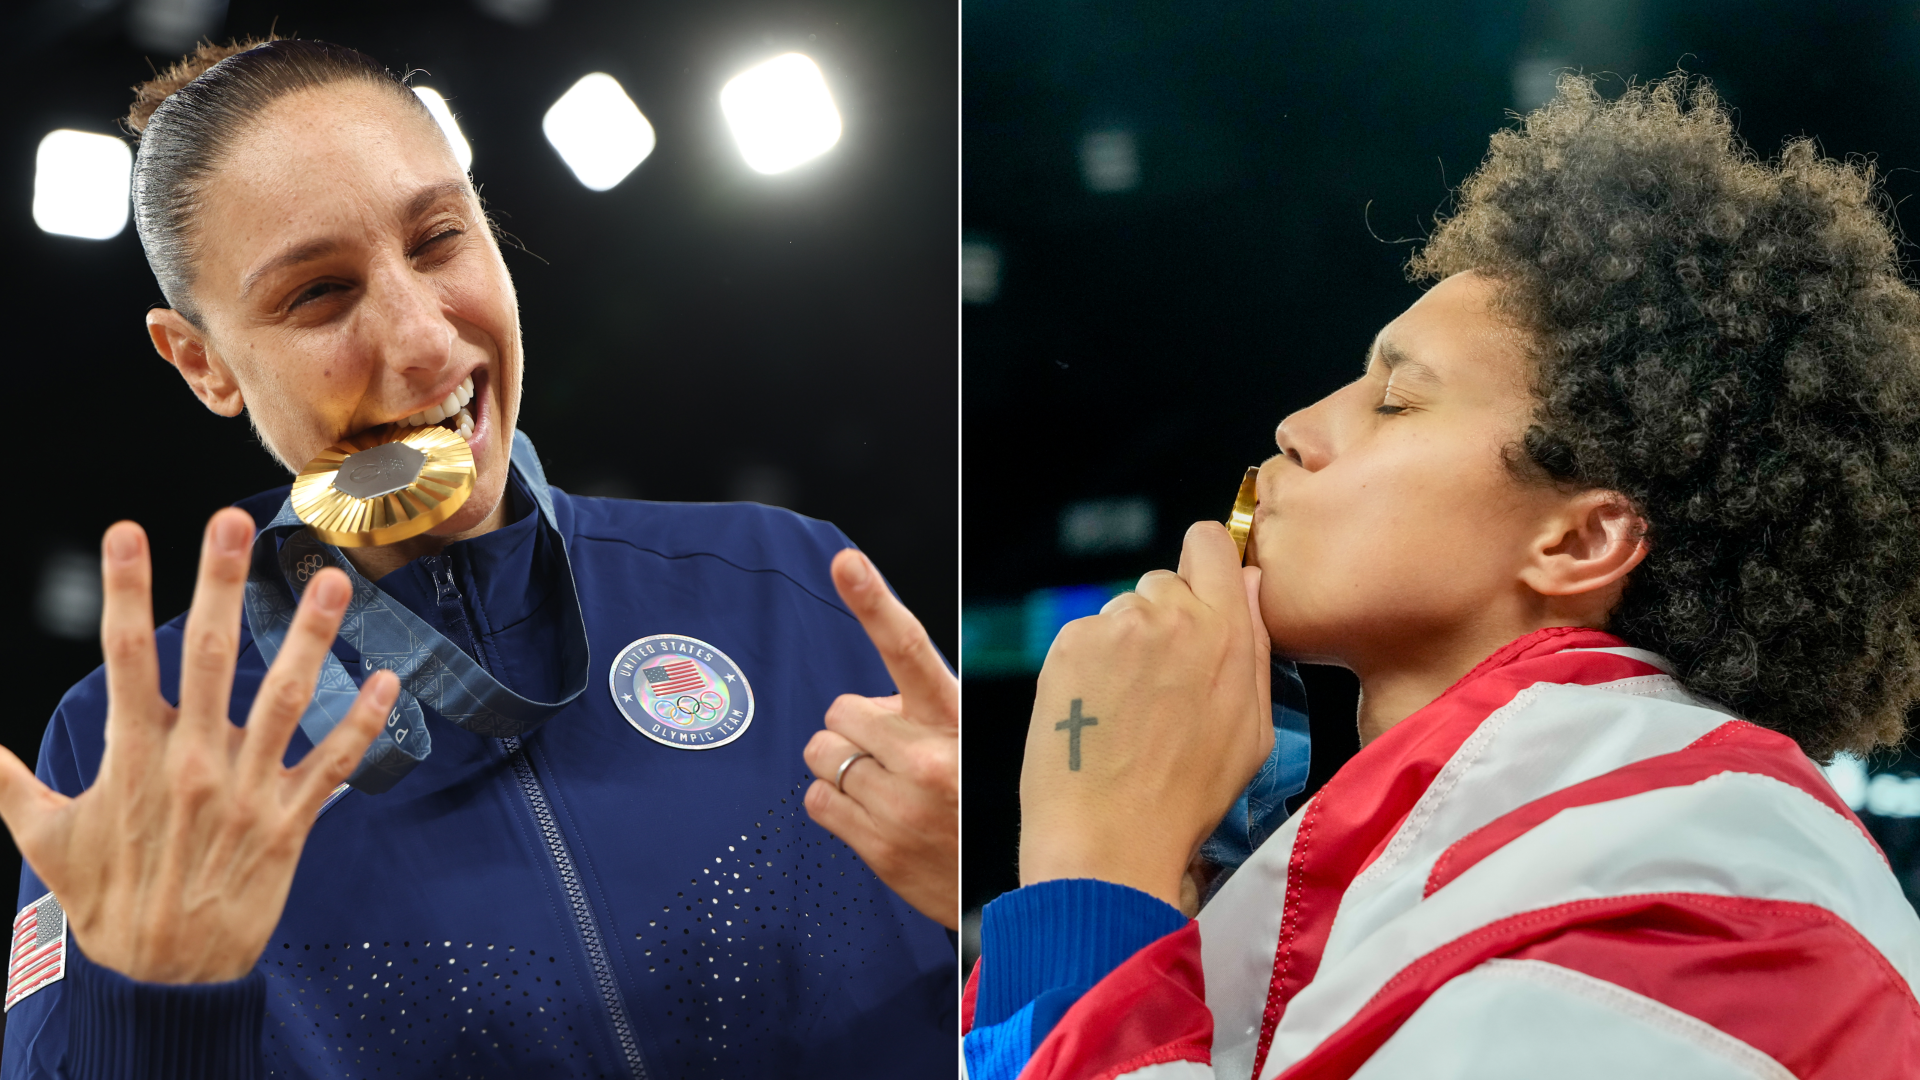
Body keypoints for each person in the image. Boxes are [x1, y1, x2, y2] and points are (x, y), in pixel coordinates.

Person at [0, 36, 957, 1079]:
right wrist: (157, 1012)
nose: (420, 340)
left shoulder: (783, 583)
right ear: (203, 363)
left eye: (439, 239)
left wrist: (984, 881)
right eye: (319, 294)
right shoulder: (133, 746)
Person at [964, 75, 1920, 1079]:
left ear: (1579, 541)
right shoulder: (1501, 871)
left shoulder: (1702, 895)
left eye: (1396, 400)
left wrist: (1096, 873)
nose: (1297, 428)